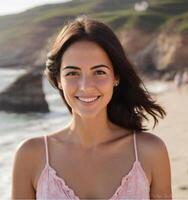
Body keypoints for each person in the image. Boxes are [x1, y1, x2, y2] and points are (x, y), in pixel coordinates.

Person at [11, 16, 172, 199]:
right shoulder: (30, 156)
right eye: (72, 73)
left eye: (99, 72)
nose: (86, 86)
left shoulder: (149, 151)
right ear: (58, 80)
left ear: (116, 77)